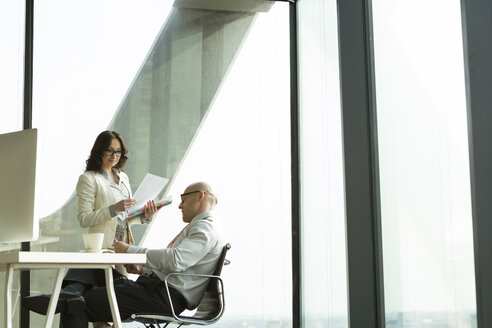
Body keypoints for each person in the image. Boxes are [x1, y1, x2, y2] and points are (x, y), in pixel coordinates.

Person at [27, 182, 224, 328]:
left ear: (200, 195)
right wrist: (142, 268)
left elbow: (175, 260)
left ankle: (66, 298)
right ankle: (68, 293)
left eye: (183, 199)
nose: (180, 206)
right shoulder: (199, 228)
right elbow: (178, 264)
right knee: (93, 265)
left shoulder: (204, 230)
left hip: (163, 297)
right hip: (152, 289)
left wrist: (129, 251)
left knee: (78, 305)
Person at [23, 131, 158, 326]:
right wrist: (114, 209)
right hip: (102, 244)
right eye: (109, 150)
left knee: (103, 302)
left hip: (122, 246)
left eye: (118, 152)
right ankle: (69, 294)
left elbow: (124, 219)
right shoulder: (89, 179)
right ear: (99, 151)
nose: (114, 156)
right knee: (103, 301)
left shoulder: (124, 178)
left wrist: (144, 217)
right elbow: (84, 219)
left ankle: (66, 293)